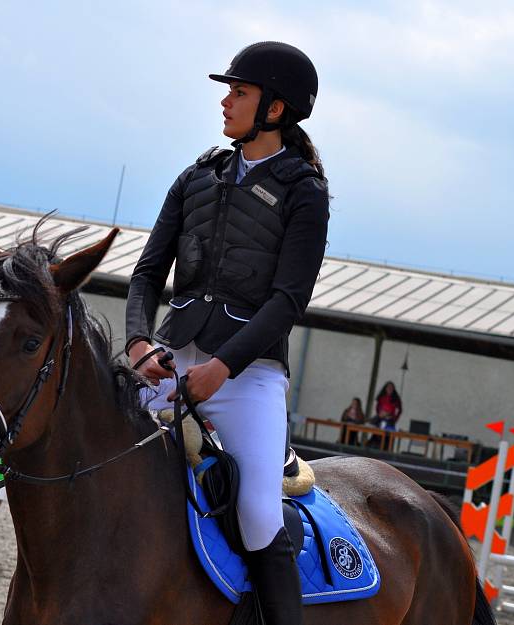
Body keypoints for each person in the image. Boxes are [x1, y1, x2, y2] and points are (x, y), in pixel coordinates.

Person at [125, 41, 328, 625]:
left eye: (239, 91)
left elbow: (288, 301)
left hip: (248, 378)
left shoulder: (304, 193)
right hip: (168, 363)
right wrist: (139, 343)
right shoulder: (195, 177)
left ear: (274, 108)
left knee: (260, 514)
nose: (226, 101)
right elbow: (145, 274)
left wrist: (222, 368)